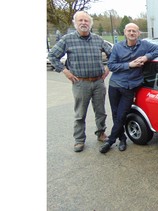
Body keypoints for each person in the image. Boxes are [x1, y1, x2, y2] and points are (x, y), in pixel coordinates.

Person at [48, 11, 112, 152]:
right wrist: (65, 71)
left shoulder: (98, 39)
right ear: (75, 23)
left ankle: (101, 133)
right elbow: (52, 56)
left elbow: (113, 55)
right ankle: (79, 140)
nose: (84, 23)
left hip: (98, 82)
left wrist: (107, 69)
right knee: (80, 113)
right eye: (80, 20)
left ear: (90, 24)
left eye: (86, 20)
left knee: (101, 111)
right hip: (80, 83)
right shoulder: (67, 39)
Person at [99, 23, 158, 153]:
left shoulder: (144, 45)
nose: (131, 33)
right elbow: (112, 66)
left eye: (134, 31)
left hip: (129, 88)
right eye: (129, 31)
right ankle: (122, 139)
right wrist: (129, 65)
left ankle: (111, 141)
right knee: (115, 114)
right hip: (115, 85)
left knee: (121, 115)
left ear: (138, 33)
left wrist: (147, 57)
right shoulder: (118, 47)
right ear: (125, 32)